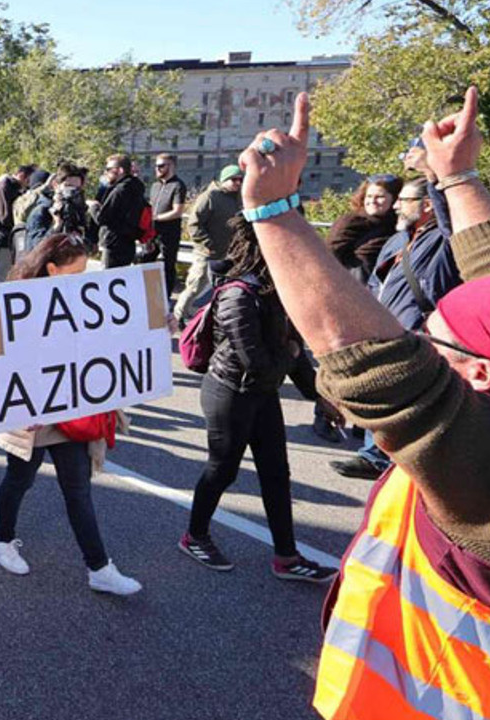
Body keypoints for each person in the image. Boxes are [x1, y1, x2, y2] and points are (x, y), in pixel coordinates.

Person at [237, 87, 490, 720]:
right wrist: (460, 177)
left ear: (477, 376)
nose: (418, 338)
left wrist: (274, 211)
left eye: (431, 336)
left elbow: (379, 370)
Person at [175, 215, 337, 582]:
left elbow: (292, 351)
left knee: (276, 473)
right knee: (222, 470)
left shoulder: (276, 289)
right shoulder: (237, 294)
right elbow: (259, 361)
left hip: (261, 394)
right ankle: (194, 536)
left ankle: (287, 557)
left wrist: (320, 397)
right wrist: (292, 353)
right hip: (229, 393)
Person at [0, 233, 142, 596]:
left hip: (69, 412)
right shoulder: (15, 303)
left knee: (78, 489)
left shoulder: (83, 301)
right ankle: (0, 539)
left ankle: (99, 568)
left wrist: (152, 326)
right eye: (77, 271)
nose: (84, 278)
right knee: (19, 479)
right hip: (30, 414)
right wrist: (20, 404)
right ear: (52, 269)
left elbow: (110, 339)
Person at [331, 175, 460, 479]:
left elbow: (449, 221)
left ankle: (406, 463)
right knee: (382, 392)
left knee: (411, 402)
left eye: (405, 201)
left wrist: (436, 175)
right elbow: (377, 280)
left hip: (420, 330)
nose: (397, 207)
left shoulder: (440, 238)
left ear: (428, 204)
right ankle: (374, 456)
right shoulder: (398, 238)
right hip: (385, 328)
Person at [173, 166, 244, 321]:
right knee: (196, 285)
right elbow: (194, 224)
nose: (238, 183)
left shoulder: (237, 197)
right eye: (234, 179)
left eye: (240, 180)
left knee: (223, 288)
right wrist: (207, 244)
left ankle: (212, 318)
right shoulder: (210, 196)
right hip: (206, 252)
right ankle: (178, 317)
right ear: (224, 180)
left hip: (228, 252)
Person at [325, 175, 402, 283]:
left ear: (395, 199)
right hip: (351, 286)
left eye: (380, 197)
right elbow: (330, 254)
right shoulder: (352, 221)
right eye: (369, 196)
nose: (372, 201)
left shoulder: (399, 226)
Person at [87, 154, 146, 269]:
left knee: (108, 277)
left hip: (114, 243)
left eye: (109, 169)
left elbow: (102, 218)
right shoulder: (137, 188)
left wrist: (93, 206)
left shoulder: (120, 190)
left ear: (120, 170)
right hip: (129, 242)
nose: (106, 173)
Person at [148, 153, 189, 295]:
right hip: (153, 232)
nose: (157, 169)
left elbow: (177, 211)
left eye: (161, 166)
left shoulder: (177, 185)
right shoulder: (155, 185)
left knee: (168, 265)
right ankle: (147, 292)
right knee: (146, 261)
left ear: (171, 166)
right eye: (156, 166)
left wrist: (157, 217)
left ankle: (166, 296)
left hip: (169, 232)